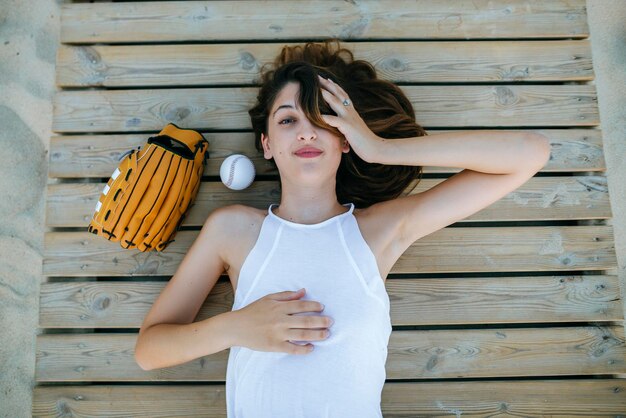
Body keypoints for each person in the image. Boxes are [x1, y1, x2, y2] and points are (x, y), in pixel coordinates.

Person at [133, 39, 551, 417]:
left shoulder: (379, 230)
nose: (306, 132)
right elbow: (149, 350)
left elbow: (530, 152)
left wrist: (379, 147)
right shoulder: (234, 229)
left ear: (344, 139)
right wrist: (235, 326)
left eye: (323, 119)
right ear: (266, 144)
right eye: (287, 121)